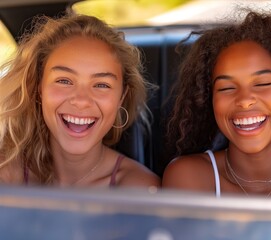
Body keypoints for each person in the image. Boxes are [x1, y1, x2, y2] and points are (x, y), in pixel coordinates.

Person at [162, 10, 271, 197]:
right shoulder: (189, 178)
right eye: (226, 88)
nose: (245, 100)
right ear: (210, 99)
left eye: (262, 84)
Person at [0, 12, 160, 188]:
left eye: (101, 85)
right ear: (39, 88)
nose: (81, 100)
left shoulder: (140, 189)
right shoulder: (6, 176)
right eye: (64, 81)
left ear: (122, 97)